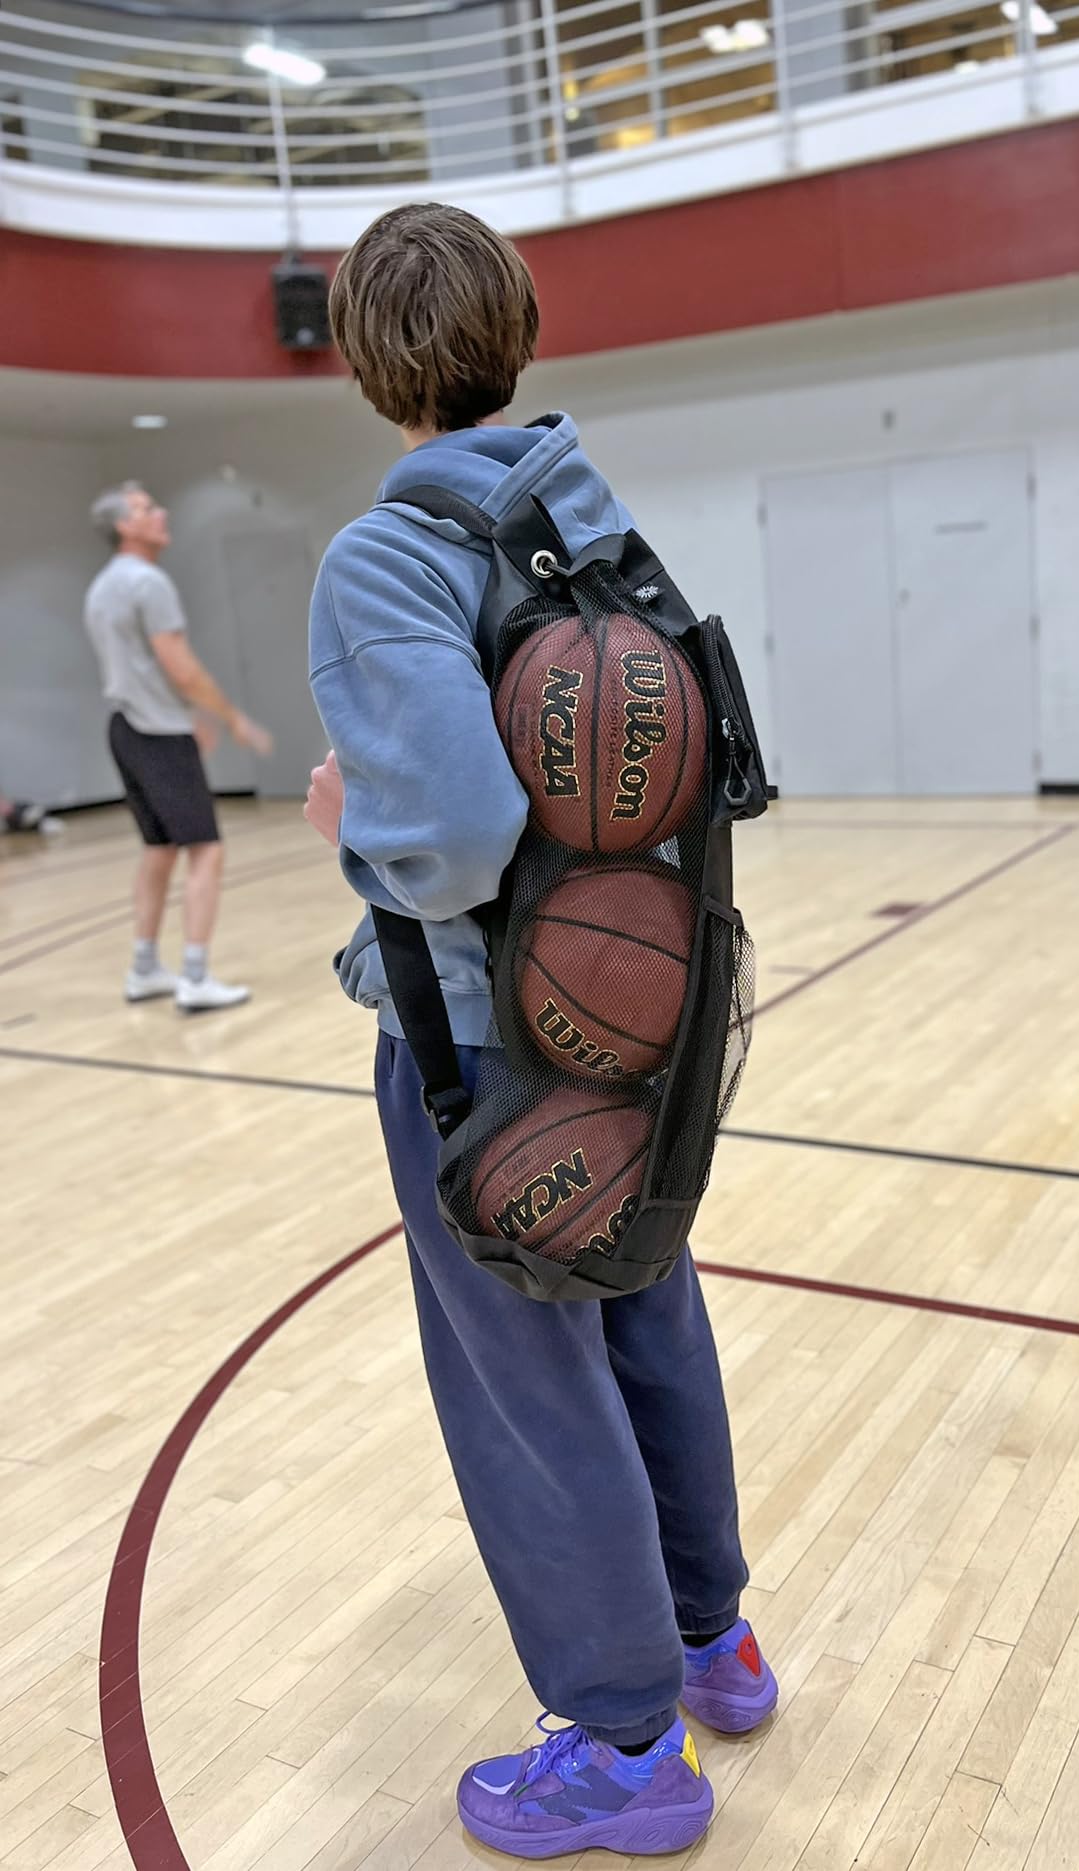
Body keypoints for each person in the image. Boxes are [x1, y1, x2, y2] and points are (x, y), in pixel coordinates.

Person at [302, 203, 777, 1860]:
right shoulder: (593, 517)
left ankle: (623, 1743)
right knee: (645, 1305)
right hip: (642, 1017)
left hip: (484, 1042)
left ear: (368, 363)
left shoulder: (385, 556)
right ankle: (713, 1643)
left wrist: (342, 817)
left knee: (524, 1373)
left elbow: (442, 833)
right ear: (517, 326)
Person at [85, 483, 271, 1012]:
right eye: (146, 508)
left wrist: (185, 716)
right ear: (125, 525)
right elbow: (180, 667)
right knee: (205, 850)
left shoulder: (104, 586)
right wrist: (231, 717)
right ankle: (194, 975)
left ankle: (144, 967)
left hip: (126, 727)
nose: (161, 512)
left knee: (159, 849)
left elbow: (138, 670)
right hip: (156, 735)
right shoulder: (148, 582)